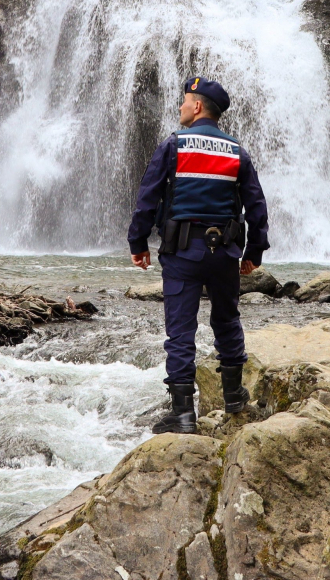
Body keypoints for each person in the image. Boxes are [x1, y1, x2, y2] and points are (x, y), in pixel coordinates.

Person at [128, 76, 269, 434]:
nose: (179, 107)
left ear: (197, 106)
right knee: (227, 320)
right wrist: (254, 252)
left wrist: (138, 243)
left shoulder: (174, 145)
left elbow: (148, 198)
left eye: (184, 101)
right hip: (224, 253)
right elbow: (256, 206)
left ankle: (184, 414)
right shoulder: (237, 150)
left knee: (180, 330)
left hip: (182, 253)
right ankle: (235, 396)